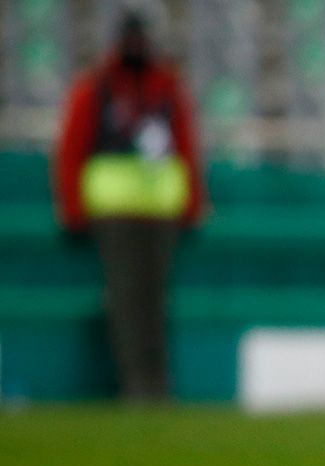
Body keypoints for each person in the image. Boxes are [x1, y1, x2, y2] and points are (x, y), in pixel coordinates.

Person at [54, 11, 206, 401]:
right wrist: (73, 209)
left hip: (159, 211)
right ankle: (136, 384)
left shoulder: (166, 86)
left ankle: (157, 385)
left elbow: (187, 147)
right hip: (114, 212)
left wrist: (192, 204)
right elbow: (72, 149)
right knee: (126, 301)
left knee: (154, 303)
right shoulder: (98, 87)